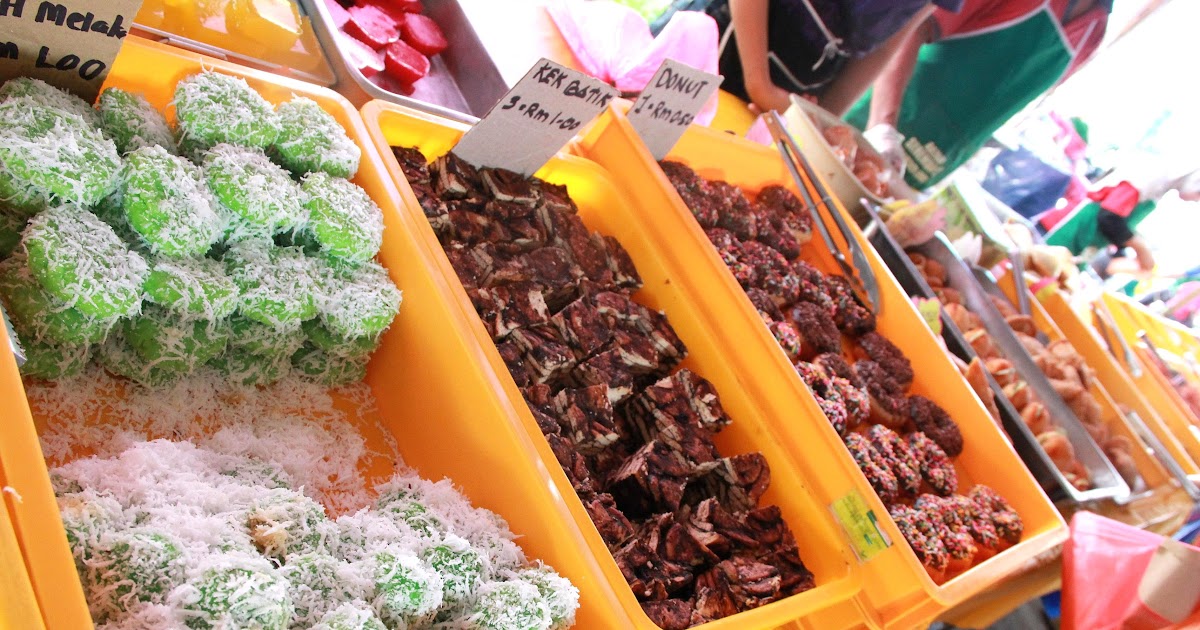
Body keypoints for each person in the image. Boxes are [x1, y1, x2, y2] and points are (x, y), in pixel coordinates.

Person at [845, 0, 1113, 190]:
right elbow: (911, 28)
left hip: (928, 168)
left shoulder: (1095, 31)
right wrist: (882, 126)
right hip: (865, 128)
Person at [651, 0, 965, 115]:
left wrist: (824, 121)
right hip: (726, 34)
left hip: (802, 87)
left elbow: (886, 44)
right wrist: (759, 84)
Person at [1043, 158, 1200, 272]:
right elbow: (1109, 218)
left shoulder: (1157, 192)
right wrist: (1141, 249)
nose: (1196, 200)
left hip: (1082, 245)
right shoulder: (1147, 179)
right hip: (1070, 234)